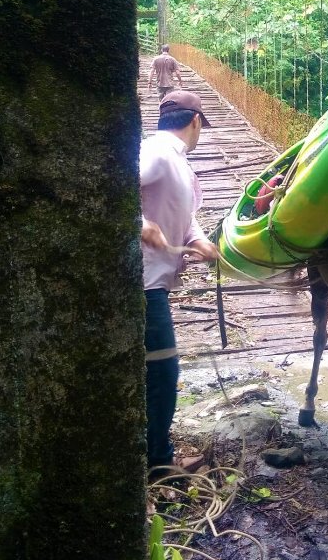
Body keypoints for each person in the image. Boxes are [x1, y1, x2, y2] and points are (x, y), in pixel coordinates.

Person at [139, 89, 218, 480]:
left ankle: (152, 452)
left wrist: (197, 239)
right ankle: (159, 461)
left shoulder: (176, 160)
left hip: (156, 281)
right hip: (144, 285)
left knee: (157, 371)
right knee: (163, 372)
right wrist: (139, 224)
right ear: (196, 122)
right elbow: (112, 184)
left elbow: (183, 217)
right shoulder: (157, 151)